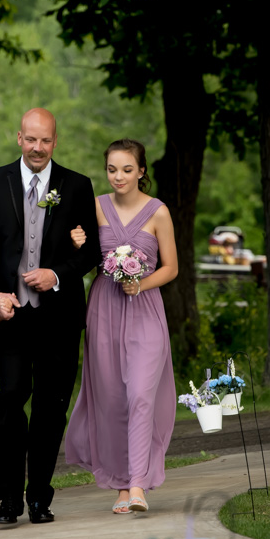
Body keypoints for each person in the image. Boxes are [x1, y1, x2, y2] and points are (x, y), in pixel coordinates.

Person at [0, 108, 100, 524]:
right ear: (19, 138)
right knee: (10, 399)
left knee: (50, 406)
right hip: (13, 314)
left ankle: (39, 497)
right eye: (31, 139)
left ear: (55, 142)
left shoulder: (77, 185)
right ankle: (8, 498)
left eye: (45, 140)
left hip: (59, 316)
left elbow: (91, 251)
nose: (37, 148)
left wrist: (56, 274)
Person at [64, 138, 177, 514]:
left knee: (141, 394)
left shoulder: (159, 212)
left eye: (127, 169)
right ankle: (120, 484)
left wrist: (140, 284)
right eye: (112, 169)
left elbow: (171, 268)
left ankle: (139, 483)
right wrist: (76, 243)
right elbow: (81, 256)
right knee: (111, 399)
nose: (119, 176)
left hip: (145, 309)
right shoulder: (95, 206)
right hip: (105, 309)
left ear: (141, 171)